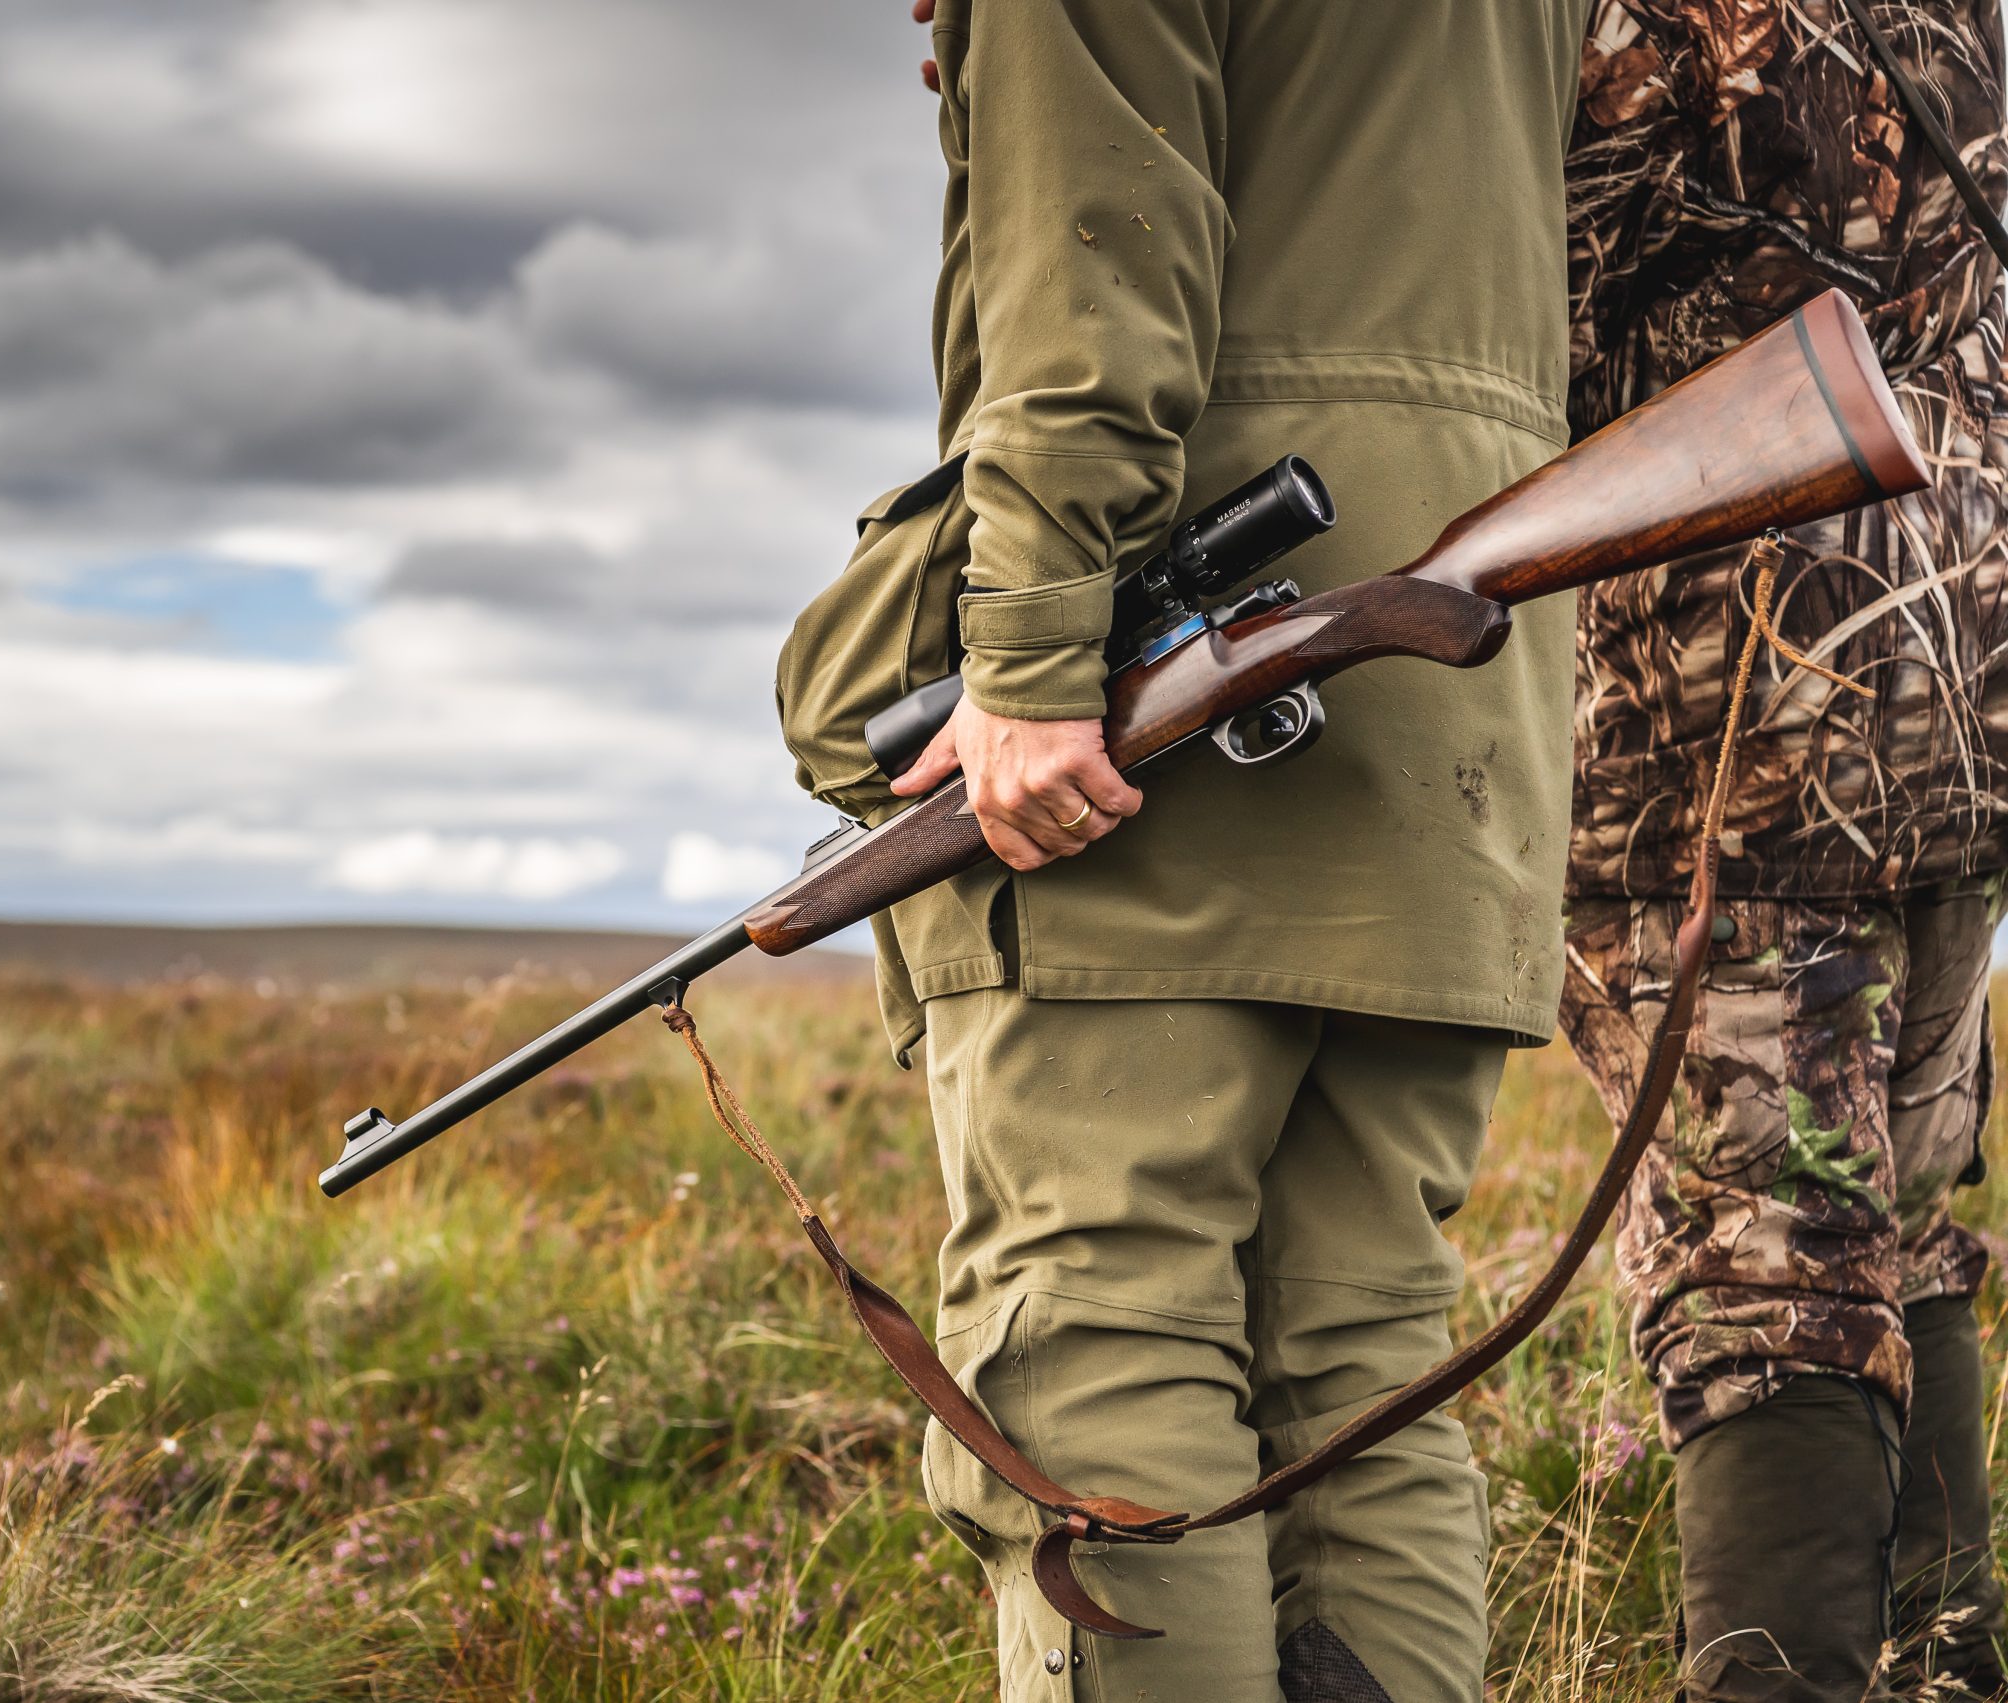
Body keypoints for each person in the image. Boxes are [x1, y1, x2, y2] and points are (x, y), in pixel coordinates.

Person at [775, 3, 1589, 1697]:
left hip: (1174, 667)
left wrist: (1027, 659)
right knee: (1361, 1354)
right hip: (1457, 661)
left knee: (1094, 1337)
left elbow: (1099, 286)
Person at [1556, 3, 2008, 1698]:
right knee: (1890, 1218)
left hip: (1726, 716)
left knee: (1772, 1282)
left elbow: (1458, 300)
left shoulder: (1640, 25)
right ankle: (1949, 1675)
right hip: (1953, 693)